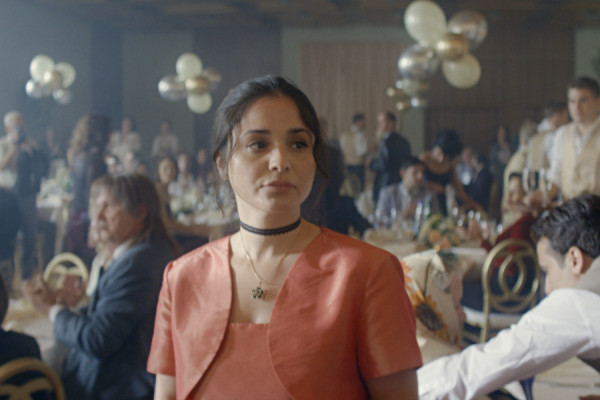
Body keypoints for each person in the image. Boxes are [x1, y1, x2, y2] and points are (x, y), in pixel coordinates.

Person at [147, 75, 421, 399]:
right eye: (258, 144)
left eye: (298, 144)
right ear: (222, 162)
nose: (280, 161)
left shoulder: (367, 273)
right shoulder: (182, 278)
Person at [418, 194, 600, 400]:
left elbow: (480, 368)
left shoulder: (583, 299)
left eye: (547, 271)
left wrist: (408, 389)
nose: (548, 288)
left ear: (575, 260)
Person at [22, 173, 179, 400]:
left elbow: (97, 339)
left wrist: (51, 309)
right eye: (97, 207)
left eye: (108, 206)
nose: (98, 216)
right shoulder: (145, 252)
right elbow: (110, 320)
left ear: (140, 213)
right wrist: (65, 307)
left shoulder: (138, 264)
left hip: (116, 387)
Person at [1, 111, 47, 281]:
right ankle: (7, 281)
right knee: (8, 240)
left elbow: (39, 166)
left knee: (29, 237)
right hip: (7, 198)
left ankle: (26, 279)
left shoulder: (30, 144)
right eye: (16, 125)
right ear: (7, 128)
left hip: (26, 196)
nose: (20, 128)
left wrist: (30, 150)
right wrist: (14, 147)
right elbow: (1, 165)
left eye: (22, 124)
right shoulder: (3, 144)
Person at [538, 76, 600, 203]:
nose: (577, 107)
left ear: (598, 102)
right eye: (572, 101)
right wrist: (542, 196)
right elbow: (556, 175)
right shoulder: (562, 134)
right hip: (569, 208)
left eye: (583, 100)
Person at [65, 114, 110, 267]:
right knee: (90, 265)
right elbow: (92, 193)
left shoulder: (77, 154)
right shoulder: (94, 157)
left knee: (78, 266)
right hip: (86, 216)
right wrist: (94, 221)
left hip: (75, 213)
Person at [419, 129, 479, 216]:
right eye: (440, 153)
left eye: (446, 157)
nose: (442, 159)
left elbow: (457, 186)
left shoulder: (451, 163)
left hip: (442, 204)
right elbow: (413, 182)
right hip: (424, 202)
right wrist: (429, 185)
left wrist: (470, 203)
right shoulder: (424, 159)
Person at [374, 156, 439, 228]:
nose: (420, 176)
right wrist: (402, 216)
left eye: (422, 172)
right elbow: (378, 223)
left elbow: (437, 221)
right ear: (403, 173)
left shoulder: (429, 195)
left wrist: (420, 215)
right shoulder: (387, 193)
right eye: (415, 172)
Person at [369, 111, 412, 204]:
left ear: (391, 123)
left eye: (382, 122)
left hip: (386, 182)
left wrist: (371, 163)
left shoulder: (386, 142)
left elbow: (384, 164)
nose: (379, 125)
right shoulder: (404, 140)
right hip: (400, 181)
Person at [527, 101, 569, 171]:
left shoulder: (537, 131)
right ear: (557, 115)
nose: (567, 119)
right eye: (566, 115)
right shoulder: (554, 136)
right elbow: (556, 164)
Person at [339, 112, 368, 192]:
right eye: (363, 121)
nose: (364, 124)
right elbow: (361, 154)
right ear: (358, 121)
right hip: (358, 168)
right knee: (359, 190)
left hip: (346, 167)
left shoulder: (344, 135)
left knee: (349, 190)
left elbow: (342, 152)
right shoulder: (360, 135)